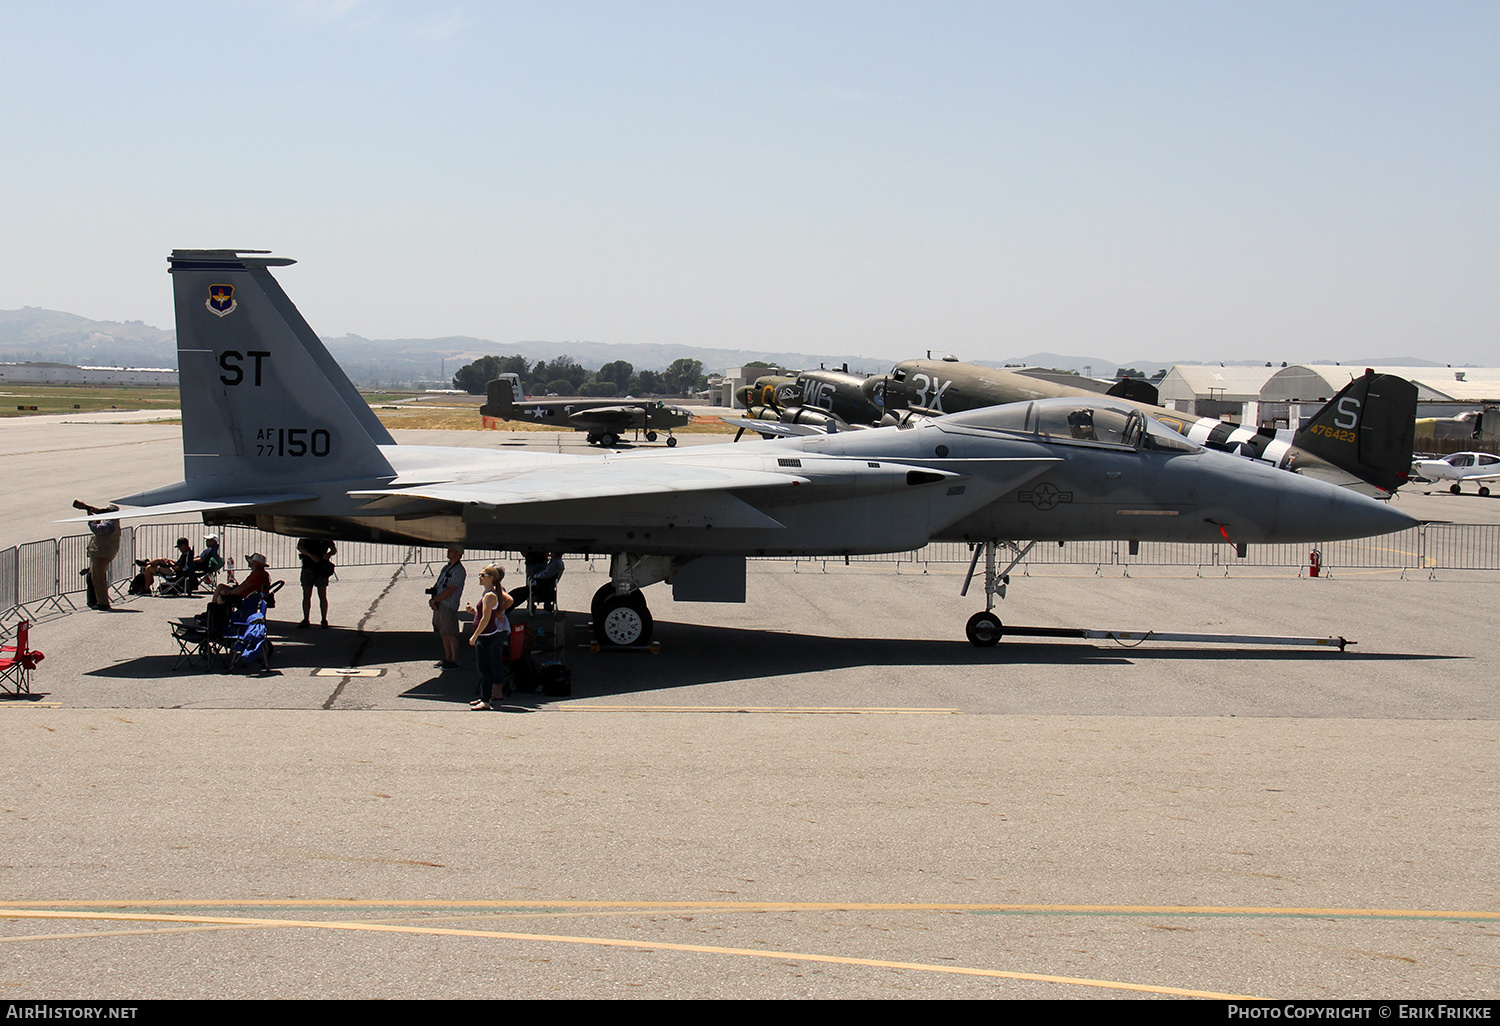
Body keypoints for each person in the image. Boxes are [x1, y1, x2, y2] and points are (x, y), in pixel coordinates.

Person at [466, 565, 513, 710]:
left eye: (482, 575)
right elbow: (482, 615)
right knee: (484, 668)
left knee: (485, 668)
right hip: (486, 635)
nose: (479, 577)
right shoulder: (489, 594)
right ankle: (485, 697)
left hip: (487, 636)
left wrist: (475, 636)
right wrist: (474, 612)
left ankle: (486, 699)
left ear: (490, 578)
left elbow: (485, 619)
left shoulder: (490, 595)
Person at [75, 500, 121, 611]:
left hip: (102, 554)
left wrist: (91, 518)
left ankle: (103, 603)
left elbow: (97, 529)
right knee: (95, 578)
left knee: (99, 580)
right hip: (102, 553)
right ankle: (96, 601)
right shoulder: (112, 522)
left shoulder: (110, 523)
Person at [429, 547, 466, 669]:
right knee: (443, 633)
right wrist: (434, 598)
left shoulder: (459, 571)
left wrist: (436, 599)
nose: (448, 552)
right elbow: (439, 584)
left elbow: (450, 590)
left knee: (450, 633)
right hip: (440, 604)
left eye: (451, 550)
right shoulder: (447, 567)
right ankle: (447, 658)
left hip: (448, 605)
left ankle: (454, 660)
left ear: (458, 553)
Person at [296, 537, 337, 629]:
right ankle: (306, 619)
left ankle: (324, 619)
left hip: (321, 568)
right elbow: (300, 547)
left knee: (322, 595)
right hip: (308, 567)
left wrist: (328, 554)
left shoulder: (324, 535)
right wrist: (311, 555)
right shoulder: (306, 535)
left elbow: (334, 549)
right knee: (307, 595)